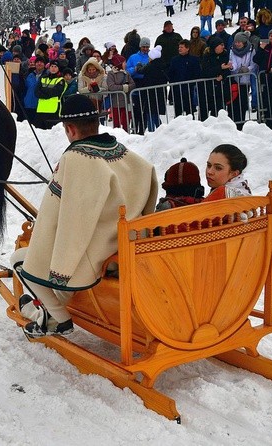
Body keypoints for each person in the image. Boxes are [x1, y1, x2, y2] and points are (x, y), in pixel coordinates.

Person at [12, 94, 159, 338]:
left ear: (70, 129)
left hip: (98, 255)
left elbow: (59, 216)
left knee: (22, 261)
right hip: (127, 247)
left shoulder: (75, 159)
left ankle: (58, 319)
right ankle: (46, 310)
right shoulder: (127, 154)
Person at [199, 36, 233, 121]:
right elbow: (206, 71)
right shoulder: (207, 56)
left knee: (218, 109)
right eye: (220, 45)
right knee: (205, 109)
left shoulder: (225, 55)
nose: (223, 46)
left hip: (220, 88)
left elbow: (227, 70)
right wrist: (220, 68)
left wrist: (223, 76)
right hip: (207, 88)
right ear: (215, 46)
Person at [106, 54, 136, 132]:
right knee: (117, 122)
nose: (125, 64)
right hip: (116, 102)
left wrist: (128, 87)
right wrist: (123, 88)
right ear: (119, 64)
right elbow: (111, 86)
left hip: (126, 101)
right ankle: (118, 135)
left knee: (126, 120)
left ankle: (126, 133)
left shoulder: (126, 73)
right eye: (124, 62)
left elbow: (133, 84)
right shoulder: (111, 74)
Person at [35, 60, 66, 129]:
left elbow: (55, 92)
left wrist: (43, 90)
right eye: (52, 66)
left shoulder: (61, 80)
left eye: (55, 66)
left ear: (58, 69)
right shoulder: (43, 78)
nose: (53, 68)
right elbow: (36, 92)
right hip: (41, 109)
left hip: (53, 111)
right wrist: (47, 93)